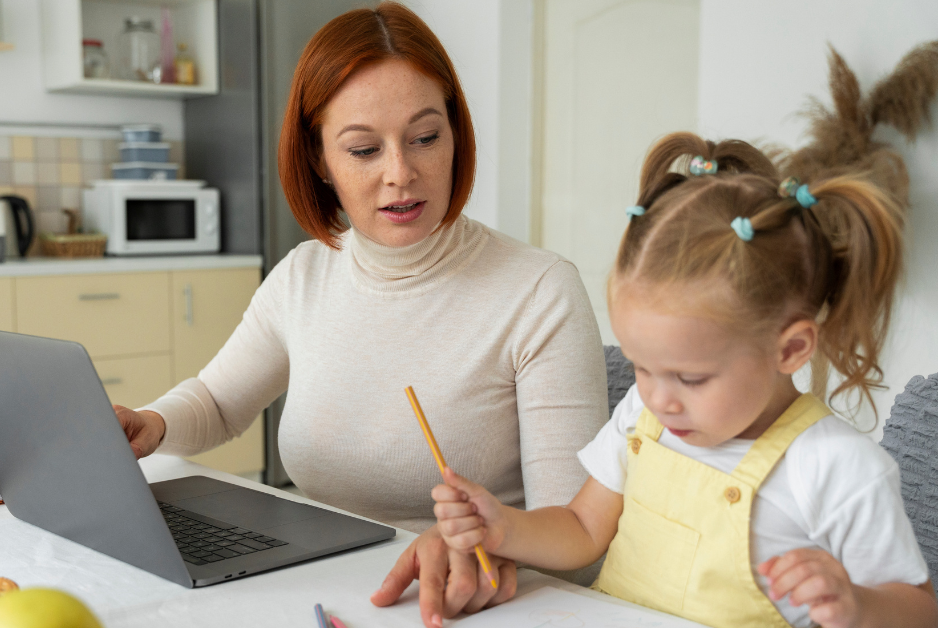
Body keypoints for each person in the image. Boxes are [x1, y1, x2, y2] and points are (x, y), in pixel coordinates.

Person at [112, 3, 607, 625]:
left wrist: (482, 548)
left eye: (426, 138)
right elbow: (215, 402)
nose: (401, 174)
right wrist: (153, 424)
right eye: (364, 149)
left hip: (474, 605)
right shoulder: (305, 273)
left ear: (456, 135)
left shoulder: (540, 292)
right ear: (320, 160)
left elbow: (577, 549)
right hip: (321, 589)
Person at [430, 124, 938, 626]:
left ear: (791, 349)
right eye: (641, 367)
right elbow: (583, 527)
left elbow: (918, 611)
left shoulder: (840, 467)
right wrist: (502, 529)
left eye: (690, 379)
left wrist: (855, 604)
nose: (659, 398)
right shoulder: (643, 415)